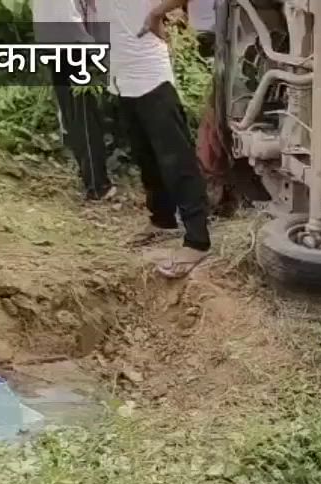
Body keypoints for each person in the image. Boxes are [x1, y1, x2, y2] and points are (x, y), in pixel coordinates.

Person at [95, 0, 212, 279]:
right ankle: (162, 220)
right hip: (122, 79)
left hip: (151, 77)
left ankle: (197, 240)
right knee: (146, 157)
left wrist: (158, 12)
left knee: (177, 161)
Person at [142, 0, 234, 216]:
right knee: (219, 117)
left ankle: (213, 190)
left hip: (215, 35)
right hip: (217, 33)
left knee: (216, 119)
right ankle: (221, 190)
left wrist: (158, 12)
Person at [31, 0, 114, 202]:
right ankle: (96, 184)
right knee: (84, 114)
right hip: (74, 42)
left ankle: (88, 176)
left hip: (51, 40)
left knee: (71, 111)